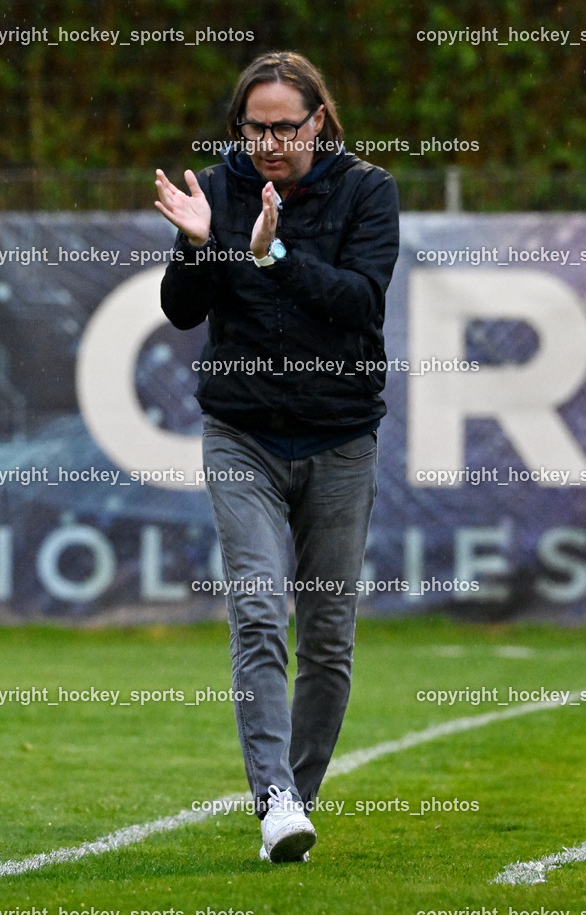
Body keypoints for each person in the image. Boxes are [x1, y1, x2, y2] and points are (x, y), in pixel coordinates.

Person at [157, 51, 399, 863]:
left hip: (340, 439)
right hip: (243, 434)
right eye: (253, 126)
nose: (267, 141)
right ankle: (275, 802)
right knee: (259, 609)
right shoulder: (217, 190)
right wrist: (197, 247)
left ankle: (292, 797)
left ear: (318, 120)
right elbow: (184, 311)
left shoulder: (369, 191)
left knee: (327, 638)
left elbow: (360, 304)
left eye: (283, 126)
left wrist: (273, 256)